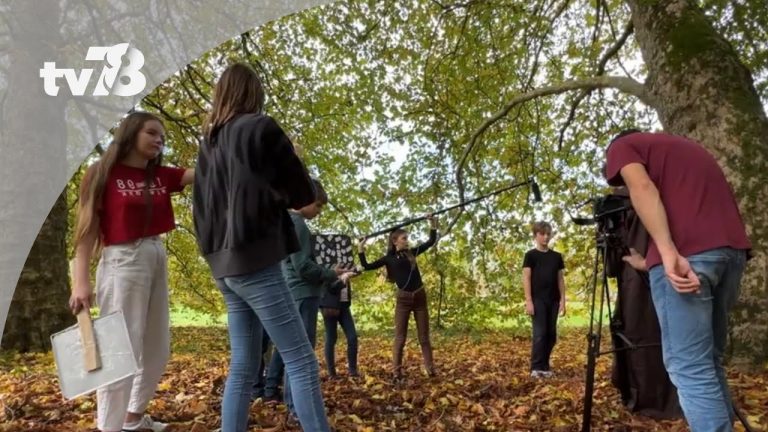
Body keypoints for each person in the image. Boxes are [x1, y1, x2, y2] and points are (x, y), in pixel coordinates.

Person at [192, 63, 331, 432]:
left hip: (223, 267)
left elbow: (201, 210)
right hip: (256, 263)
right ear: (254, 93)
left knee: (242, 363)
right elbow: (302, 193)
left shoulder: (209, 144)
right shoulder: (262, 128)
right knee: (301, 359)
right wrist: (294, 155)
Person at [604, 130, 751, 432]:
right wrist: (649, 262)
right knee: (709, 361)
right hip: (730, 253)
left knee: (689, 367)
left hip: (687, 255)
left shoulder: (622, 146)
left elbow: (642, 187)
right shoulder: (684, 149)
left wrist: (668, 251)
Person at [69, 111, 194, 432]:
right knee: (118, 354)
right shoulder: (101, 174)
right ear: (130, 133)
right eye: (152, 133)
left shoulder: (160, 176)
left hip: (155, 254)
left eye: (162, 137)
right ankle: (109, 427)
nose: (159, 140)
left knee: (157, 349)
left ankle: (132, 418)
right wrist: (80, 283)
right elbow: (85, 234)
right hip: (122, 259)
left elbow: (205, 171)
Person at [264, 178, 355, 418]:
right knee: (302, 354)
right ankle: (298, 408)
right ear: (303, 200)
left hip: (295, 292)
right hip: (304, 294)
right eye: (317, 205)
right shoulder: (299, 225)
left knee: (293, 351)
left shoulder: (286, 222)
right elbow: (302, 266)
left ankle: (290, 402)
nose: (318, 211)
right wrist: (330, 273)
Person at [608, 188, 682, 419]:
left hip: (642, 281)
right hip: (652, 277)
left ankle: (650, 398)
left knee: (643, 335)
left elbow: (611, 264)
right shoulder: (662, 196)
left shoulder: (624, 204)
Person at [358, 216, 438, 380]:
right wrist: (361, 247)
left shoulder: (412, 253)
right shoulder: (389, 259)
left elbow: (430, 241)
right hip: (403, 300)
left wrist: (432, 223)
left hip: (420, 297)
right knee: (400, 338)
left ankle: (431, 370)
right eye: (404, 238)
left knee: (424, 337)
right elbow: (367, 266)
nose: (407, 241)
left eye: (407, 238)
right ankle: (396, 372)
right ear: (395, 241)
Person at [522, 221, 566, 378]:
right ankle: (536, 367)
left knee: (551, 335)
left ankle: (545, 366)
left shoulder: (556, 257)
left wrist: (563, 301)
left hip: (553, 300)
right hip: (537, 300)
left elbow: (560, 279)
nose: (546, 237)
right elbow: (526, 278)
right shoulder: (530, 256)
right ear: (535, 236)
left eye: (548, 234)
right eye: (542, 234)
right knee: (540, 334)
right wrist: (528, 300)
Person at [320, 278, 359, 378]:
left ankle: (352, 370)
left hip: (344, 305)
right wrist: (342, 278)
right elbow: (329, 285)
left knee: (352, 337)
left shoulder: (346, 263)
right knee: (331, 338)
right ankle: (332, 373)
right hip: (330, 306)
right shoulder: (328, 265)